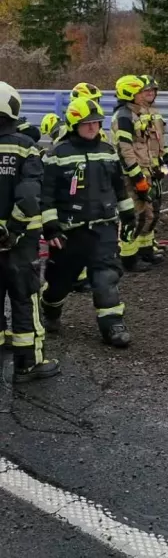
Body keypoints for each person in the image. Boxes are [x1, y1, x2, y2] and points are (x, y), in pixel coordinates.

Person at [39, 97, 134, 349]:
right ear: (73, 124)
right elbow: (45, 195)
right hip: (69, 233)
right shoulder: (57, 155)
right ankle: (49, 311)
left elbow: (119, 187)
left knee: (106, 276)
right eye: (87, 123)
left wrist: (128, 213)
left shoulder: (107, 151)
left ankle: (113, 325)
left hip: (103, 228)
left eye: (96, 123)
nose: (93, 127)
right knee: (60, 282)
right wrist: (50, 227)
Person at [0, 82, 59, 382]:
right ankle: (28, 364)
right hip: (19, 243)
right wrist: (12, 229)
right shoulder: (25, 146)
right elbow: (29, 194)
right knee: (25, 298)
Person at [111, 75, 159, 271]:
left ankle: (143, 253)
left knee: (148, 214)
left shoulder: (135, 114)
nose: (143, 95)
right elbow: (125, 149)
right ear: (130, 94)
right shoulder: (124, 116)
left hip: (143, 171)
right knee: (132, 217)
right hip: (131, 175)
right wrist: (137, 176)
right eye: (139, 92)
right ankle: (128, 260)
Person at [138, 75, 168, 259]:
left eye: (153, 90)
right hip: (142, 170)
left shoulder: (154, 112)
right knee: (143, 210)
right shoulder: (133, 114)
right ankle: (138, 250)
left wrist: (167, 156)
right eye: (147, 90)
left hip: (155, 168)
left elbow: (160, 140)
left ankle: (149, 244)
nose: (151, 93)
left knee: (155, 209)